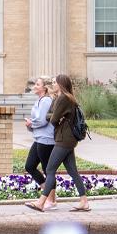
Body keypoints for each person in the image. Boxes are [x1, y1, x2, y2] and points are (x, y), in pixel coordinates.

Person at [43, 75, 90, 212]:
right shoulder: (67, 97)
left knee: (50, 170)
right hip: (69, 139)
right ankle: (84, 202)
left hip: (64, 139)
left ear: (61, 84)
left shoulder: (63, 98)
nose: (53, 85)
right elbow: (51, 116)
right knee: (72, 171)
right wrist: (56, 115)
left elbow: (52, 119)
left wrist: (56, 117)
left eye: (54, 82)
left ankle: (42, 201)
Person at [23, 76, 58, 212]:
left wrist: (32, 123)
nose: (35, 86)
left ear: (44, 88)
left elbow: (42, 121)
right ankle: (49, 196)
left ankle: (51, 200)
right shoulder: (39, 100)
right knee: (30, 166)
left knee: (47, 170)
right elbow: (37, 121)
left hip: (47, 139)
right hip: (39, 138)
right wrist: (30, 125)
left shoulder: (46, 101)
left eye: (37, 84)